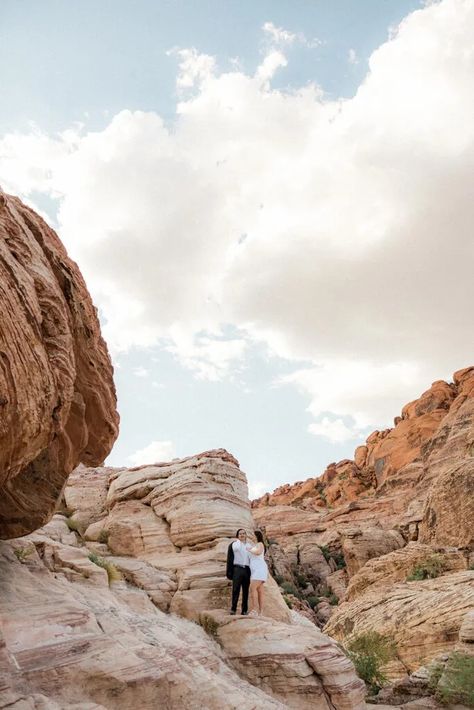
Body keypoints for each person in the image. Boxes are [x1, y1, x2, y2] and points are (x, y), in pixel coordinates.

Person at [226, 528, 251, 615]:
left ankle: (244, 610)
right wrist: (229, 572)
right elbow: (234, 552)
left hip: (247, 570)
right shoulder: (235, 544)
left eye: (244, 533)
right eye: (240, 534)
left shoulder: (249, 545)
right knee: (236, 589)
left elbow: (252, 557)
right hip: (237, 569)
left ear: (246, 535)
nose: (242, 535)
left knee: (245, 591)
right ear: (237, 535)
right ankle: (233, 609)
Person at [248, 530, 268, 617]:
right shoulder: (255, 545)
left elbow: (258, 552)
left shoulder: (260, 544)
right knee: (260, 591)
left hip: (259, 569)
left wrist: (249, 549)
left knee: (253, 588)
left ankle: (255, 610)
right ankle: (261, 612)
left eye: (253, 535)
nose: (252, 536)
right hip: (255, 570)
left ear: (257, 536)